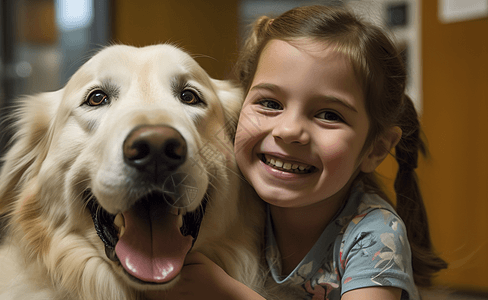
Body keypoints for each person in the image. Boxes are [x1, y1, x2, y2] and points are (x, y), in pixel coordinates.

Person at [146, 5, 447, 300]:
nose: (289, 131)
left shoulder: (375, 236)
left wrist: (228, 292)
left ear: (376, 149)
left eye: (329, 115)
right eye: (270, 104)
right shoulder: (240, 204)